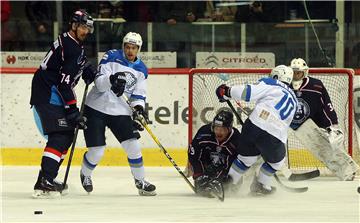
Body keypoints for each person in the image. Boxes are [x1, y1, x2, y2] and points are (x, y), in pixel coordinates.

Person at [79, 32, 156, 196]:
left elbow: (138, 95)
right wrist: (112, 79)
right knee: (97, 151)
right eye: (127, 47)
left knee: (133, 146)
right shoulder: (111, 56)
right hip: (96, 108)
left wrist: (139, 109)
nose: (130, 51)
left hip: (121, 111)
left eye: (133, 48)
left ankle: (140, 181)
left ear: (138, 49)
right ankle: (85, 174)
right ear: (123, 46)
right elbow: (99, 84)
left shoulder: (142, 69)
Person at [30, 9, 97, 198]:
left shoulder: (71, 42)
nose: (86, 31)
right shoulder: (72, 47)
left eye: (88, 28)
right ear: (74, 26)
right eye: (83, 27)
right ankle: (45, 182)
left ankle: (47, 178)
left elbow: (73, 63)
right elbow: (63, 84)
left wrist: (86, 68)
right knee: (60, 134)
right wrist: (73, 110)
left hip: (50, 93)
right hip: (48, 94)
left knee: (66, 134)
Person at [216, 65, 297, 195]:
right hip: (276, 134)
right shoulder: (294, 100)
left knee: (245, 159)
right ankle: (261, 185)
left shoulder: (271, 82)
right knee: (276, 163)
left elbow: (247, 92)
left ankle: (227, 185)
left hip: (254, 124)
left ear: (276, 76)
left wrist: (226, 92)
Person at [289, 58, 359, 180]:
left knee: (324, 148)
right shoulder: (285, 85)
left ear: (305, 72)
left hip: (310, 124)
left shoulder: (316, 85)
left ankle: (348, 170)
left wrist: (333, 125)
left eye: (298, 72)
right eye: (294, 72)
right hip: (288, 122)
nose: (296, 75)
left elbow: (327, 105)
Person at [188, 110, 241, 197]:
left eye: (222, 130)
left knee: (231, 189)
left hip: (226, 174)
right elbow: (193, 154)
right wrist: (199, 174)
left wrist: (220, 179)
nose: (218, 133)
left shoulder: (237, 140)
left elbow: (234, 164)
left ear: (229, 128)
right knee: (202, 184)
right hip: (207, 169)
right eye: (216, 129)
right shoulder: (204, 133)